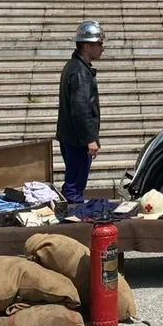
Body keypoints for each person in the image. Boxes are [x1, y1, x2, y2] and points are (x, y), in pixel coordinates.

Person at [55, 21, 105, 204]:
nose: (102, 48)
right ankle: (72, 220)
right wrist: (89, 139)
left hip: (72, 137)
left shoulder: (75, 66)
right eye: (98, 44)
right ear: (86, 45)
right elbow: (81, 108)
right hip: (77, 139)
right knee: (74, 185)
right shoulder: (80, 72)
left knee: (74, 181)